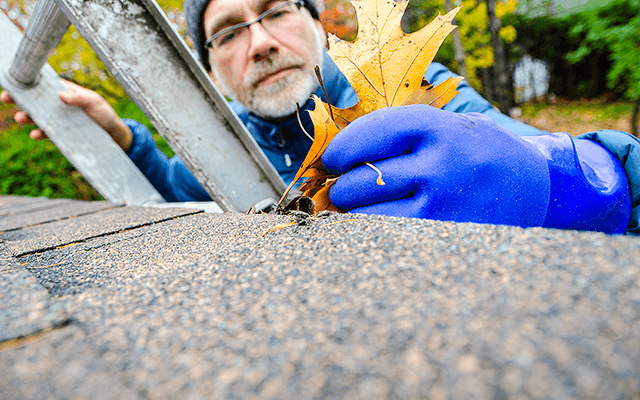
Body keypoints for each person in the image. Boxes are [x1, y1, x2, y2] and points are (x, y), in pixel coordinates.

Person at [1, 0, 639, 235]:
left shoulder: (411, 91)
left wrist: (577, 184)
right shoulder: (233, 141)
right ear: (213, 70)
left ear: (315, 24)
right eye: (227, 33)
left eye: (275, 11)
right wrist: (123, 135)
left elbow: (532, 145)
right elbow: (180, 185)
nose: (260, 43)